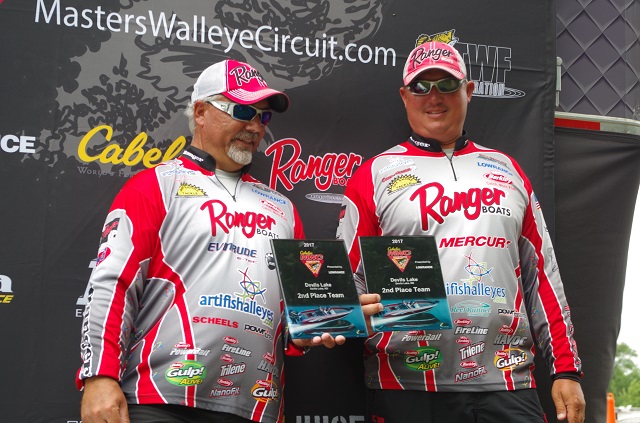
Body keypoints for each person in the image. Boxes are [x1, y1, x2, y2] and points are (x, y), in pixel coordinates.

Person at [77, 59, 345, 423]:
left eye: (263, 116)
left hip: (254, 405)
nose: (255, 126)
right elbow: (112, 285)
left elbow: (295, 317)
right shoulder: (156, 185)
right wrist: (99, 376)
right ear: (201, 112)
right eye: (243, 111)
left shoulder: (283, 208)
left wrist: (324, 319)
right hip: (159, 400)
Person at [336, 42, 585, 423]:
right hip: (406, 383)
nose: (434, 96)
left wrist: (566, 367)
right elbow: (344, 281)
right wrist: (339, 313)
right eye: (421, 86)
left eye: (447, 84)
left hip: (508, 380)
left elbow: (543, 277)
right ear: (405, 96)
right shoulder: (373, 175)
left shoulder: (508, 170)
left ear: (468, 91)